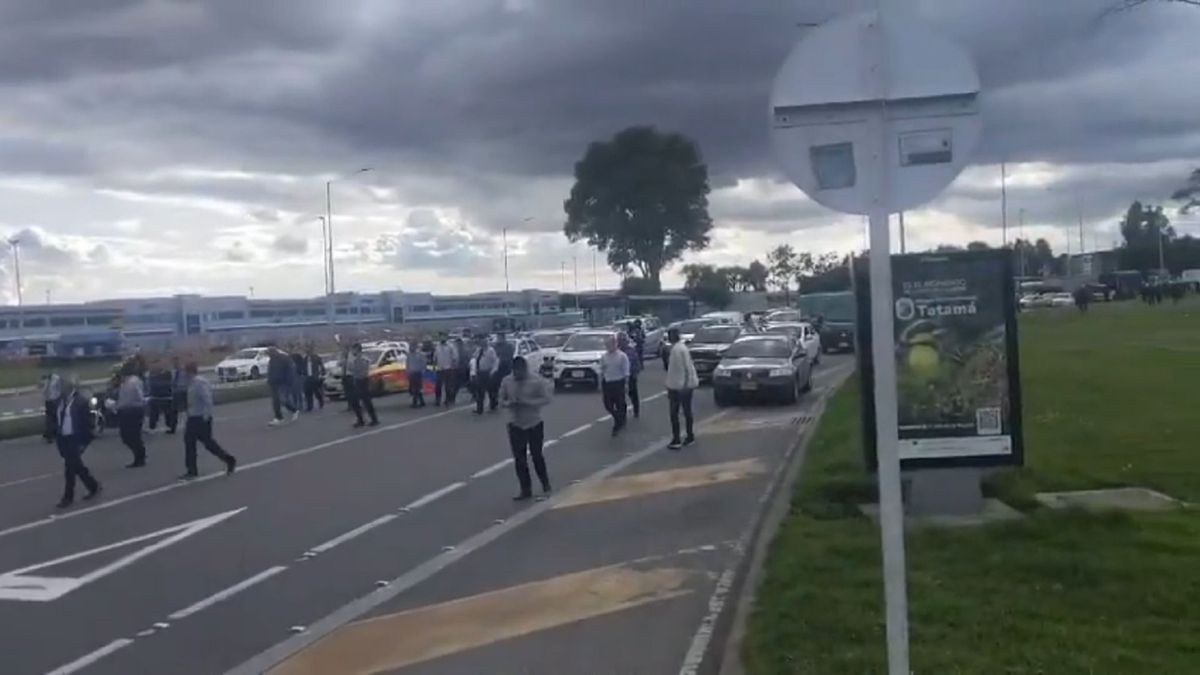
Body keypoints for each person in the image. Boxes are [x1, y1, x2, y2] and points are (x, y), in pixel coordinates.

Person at [499, 356, 553, 501]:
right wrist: (508, 403)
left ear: (525, 369)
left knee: (536, 455)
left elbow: (547, 399)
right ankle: (525, 489)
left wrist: (528, 402)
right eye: (516, 373)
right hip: (515, 423)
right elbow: (501, 400)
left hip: (533, 422)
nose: (518, 376)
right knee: (519, 459)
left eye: (520, 373)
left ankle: (545, 483)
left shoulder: (536, 381)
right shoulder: (507, 381)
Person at [180, 361, 237, 480]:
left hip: (200, 418)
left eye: (185, 372)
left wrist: (206, 416)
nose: (184, 374)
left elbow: (207, 400)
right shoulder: (191, 383)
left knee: (199, 443)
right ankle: (227, 459)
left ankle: (192, 470)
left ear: (190, 371)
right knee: (201, 443)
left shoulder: (199, 383)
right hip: (193, 416)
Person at [53, 375, 101, 508]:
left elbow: (87, 422)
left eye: (62, 386)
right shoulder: (60, 401)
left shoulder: (80, 401)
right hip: (64, 438)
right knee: (76, 466)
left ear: (69, 387)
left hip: (75, 437)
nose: (60, 389)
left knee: (70, 467)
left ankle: (68, 497)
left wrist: (85, 440)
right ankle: (93, 485)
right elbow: (56, 418)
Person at [665, 327, 699, 449]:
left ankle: (677, 439)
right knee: (685, 411)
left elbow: (685, 368)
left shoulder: (677, 350)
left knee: (675, 413)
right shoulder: (680, 348)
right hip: (680, 385)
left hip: (679, 386)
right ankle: (689, 436)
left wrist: (684, 384)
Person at [115, 363, 148, 467]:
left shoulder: (133, 382)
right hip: (127, 410)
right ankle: (139, 455)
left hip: (133, 410)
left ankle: (140, 456)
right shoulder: (125, 382)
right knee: (128, 435)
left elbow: (138, 394)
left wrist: (143, 401)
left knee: (132, 435)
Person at [599, 335, 630, 435]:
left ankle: (619, 423)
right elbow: (602, 370)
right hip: (608, 383)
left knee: (620, 404)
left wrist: (626, 384)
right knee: (608, 405)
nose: (608, 347)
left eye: (610, 344)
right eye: (606, 345)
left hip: (619, 382)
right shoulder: (604, 356)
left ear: (615, 344)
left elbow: (626, 371)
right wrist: (601, 383)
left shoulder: (622, 356)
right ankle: (618, 418)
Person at [347, 343, 379, 427]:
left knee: (366, 401)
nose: (352, 351)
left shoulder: (361, 359)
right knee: (356, 402)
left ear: (357, 350)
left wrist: (351, 362)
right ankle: (361, 419)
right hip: (357, 380)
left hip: (362, 381)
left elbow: (354, 369)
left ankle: (373, 419)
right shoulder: (356, 359)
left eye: (354, 349)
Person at [267, 346, 299, 426]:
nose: (269, 355)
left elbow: (291, 370)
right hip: (274, 383)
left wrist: (289, 381)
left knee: (283, 399)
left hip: (284, 383)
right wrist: (269, 380)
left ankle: (294, 409)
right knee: (275, 401)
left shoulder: (285, 359)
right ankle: (278, 417)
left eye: (270, 353)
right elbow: (270, 371)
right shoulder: (272, 360)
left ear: (274, 352)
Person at [146, 360, 175, 433]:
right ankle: (152, 427)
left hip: (166, 397)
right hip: (155, 397)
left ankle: (169, 427)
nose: (155, 367)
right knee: (153, 413)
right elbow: (151, 385)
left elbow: (168, 384)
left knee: (168, 413)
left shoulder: (167, 373)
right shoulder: (151, 374)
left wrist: (157, 384)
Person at [618, 332, 642, 419]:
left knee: (633, 394)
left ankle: (636, 411)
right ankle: (622, 414)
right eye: (620, 340)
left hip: (631, 376)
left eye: (623, 340)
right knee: (620, 398)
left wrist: (635, 373)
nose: (621, 342)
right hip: (620, 377)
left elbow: (636, 363)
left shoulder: (631, 351)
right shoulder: (617, 352)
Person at [473, 336, 498, 415]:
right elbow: (474, 359)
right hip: (480, 372)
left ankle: (493, 404)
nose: (482, 343)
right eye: (481, 342)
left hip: (488, 372)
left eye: (484, 341)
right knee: (480, 391)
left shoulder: (491, 351)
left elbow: (495, 361)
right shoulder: (478, 350)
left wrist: (493, 371)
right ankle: (479, 409)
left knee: (491, 391)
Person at [492, 333, 516, 413]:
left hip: (506, 368)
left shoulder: (509, 346)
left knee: (507, 384)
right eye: (497, 337)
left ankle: (508, 398)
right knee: (495, 385)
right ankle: (495, 402)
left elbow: (510, 356)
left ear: (503, 338)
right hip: (497, 368)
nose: (498, 339)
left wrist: (503, 360)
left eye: (500, 337)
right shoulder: (494, 346)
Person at [301, 345, 326, 411]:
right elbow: (303, 367)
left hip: (314, 377)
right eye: (307, 350)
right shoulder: (305, 358)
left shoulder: (316, 357)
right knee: (308, 392)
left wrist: (322, 373)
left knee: (316, 391)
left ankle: (321, 402)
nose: (308, 351)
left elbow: (321, 366)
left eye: (309, 350)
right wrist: (303, 374)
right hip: (307, 377)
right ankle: (310, 406)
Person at [433, 336, 457, 406]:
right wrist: (434, 367)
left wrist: (453, 366)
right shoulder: (437, 347)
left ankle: (448, 399)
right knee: (438, 385)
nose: (442, 339)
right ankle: (438, 399)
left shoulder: (450, 346)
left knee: (448, 386)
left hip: (448, 368)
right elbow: (435, 358)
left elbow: (455, 357)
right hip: (440, 368)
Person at [42, 370, 62, 443]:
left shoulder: (56, 379)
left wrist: (58, 398)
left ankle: (50, 434)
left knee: (52, 418)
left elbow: (59, 389)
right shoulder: (46, 379)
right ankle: (50, 432)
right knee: (50, 417)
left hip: (54, 400)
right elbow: (44, 389)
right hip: (48, 400)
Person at [453, 337, 471, 404]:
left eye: (459, 343)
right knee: (455, 385)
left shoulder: (465, 351)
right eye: (457, 343)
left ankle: (474, 394)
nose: (458, 344)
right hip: (456, 370)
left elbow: (468, 359)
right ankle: (452, 397)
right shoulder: (454, 350)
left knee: (468, 384)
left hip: (464, 369)